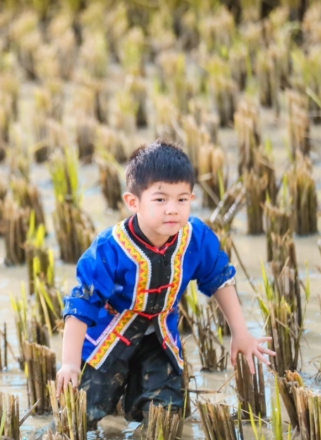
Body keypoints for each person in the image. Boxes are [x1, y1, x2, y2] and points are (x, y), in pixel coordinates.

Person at [55, 140, 274, 428]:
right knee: (79, 417)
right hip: (108, 342)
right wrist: (69, 363)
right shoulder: (110, 248)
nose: (172, 209)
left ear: (192, 199)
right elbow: (82, 303)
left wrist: (240, 332)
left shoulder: (195, 237)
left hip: (161, 339)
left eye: (182, 199)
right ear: (133, 202)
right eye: (160, 200)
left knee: (166, 416)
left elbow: (219, 278)